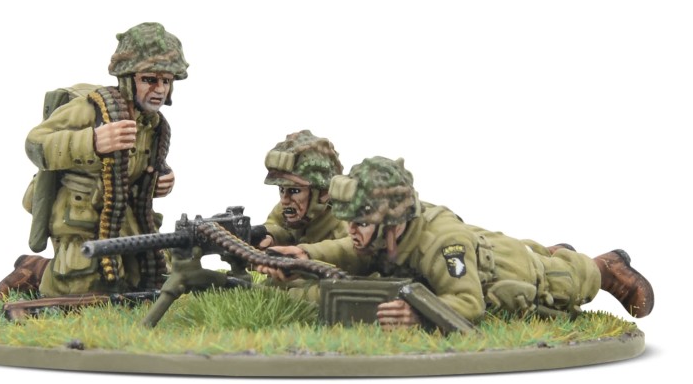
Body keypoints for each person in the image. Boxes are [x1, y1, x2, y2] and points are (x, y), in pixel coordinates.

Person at [259, 156, 654, 328]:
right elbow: (353, 251)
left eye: (360, 223)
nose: (352, 231)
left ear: (391, 219)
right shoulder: (383, 232)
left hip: (511, 272)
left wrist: (419, 316)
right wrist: (304, 254)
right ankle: (551, 251)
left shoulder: (442, 245)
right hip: (482, 247)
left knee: (565, 281)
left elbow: (469, 302)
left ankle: (604, 265)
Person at [0, 22, 189, 299]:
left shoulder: (152, 124)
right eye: (149, 80)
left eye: (166, 81)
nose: (159, 89)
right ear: (127, 78)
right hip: (80, 215)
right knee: (81, 287)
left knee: (150, 275)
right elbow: (35, 143)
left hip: (127, 216)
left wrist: (160, 179)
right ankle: (35, 270)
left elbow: (140, 165)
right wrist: (92, 141)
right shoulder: (89, 109)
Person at [257, 130, 348, 249]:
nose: (284, 200)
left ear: (323, 193)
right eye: (282, 190)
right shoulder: (289, 208)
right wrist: (269, 235)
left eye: (294, 191)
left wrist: (305, 253)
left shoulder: (345, 225)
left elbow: (350, 250)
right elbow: (278, 226)